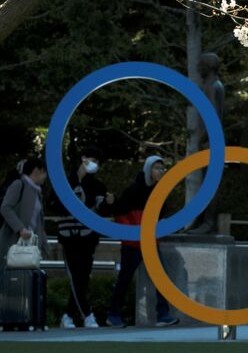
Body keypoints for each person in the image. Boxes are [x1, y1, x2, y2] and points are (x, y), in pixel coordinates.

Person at [105, 155, 179, 328]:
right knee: (125, 278)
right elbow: (119, 210)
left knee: (161, 278)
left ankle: (163, 314)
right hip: (133, 243)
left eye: (162, 168)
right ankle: (113, 314)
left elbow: (160, 216)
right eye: (157, 168)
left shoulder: (161, 191)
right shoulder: (133, 190)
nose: (161, 171)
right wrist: (112, 202)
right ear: (148, 169)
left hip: (151, 242)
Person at [50, 147, 115, 329]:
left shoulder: (98, 186)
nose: (94, 164)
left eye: (97, 162)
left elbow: (102, 210)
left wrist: (110, 203)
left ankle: (68, 315)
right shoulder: (64, 182)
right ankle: (87, 314)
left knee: (83, 277)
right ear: (83, 159)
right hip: (68, 235)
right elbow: (52, 204)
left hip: (88, 236)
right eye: (92, 160)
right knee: (75, 275)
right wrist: (66, 206)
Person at [187, 52, 226, 234]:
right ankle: (202, 220)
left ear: (208, 67)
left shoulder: (212, 87)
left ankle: (208, 222)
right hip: (211, 144)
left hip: (211, 144)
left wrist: (201, 139)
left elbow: (212, 118)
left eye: (200, 65)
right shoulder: (213, 85)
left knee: (210, 184)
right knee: (207, 184)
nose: (198, 69)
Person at [0, 158, 49, 270]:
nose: (45, 176)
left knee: (25, 281)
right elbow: (5, 208)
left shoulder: (36, 192)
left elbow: (38, 223)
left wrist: (44, 246)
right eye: (44, 172)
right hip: (13, 243)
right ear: (36, 171)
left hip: (29, 247)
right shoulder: (19, 184)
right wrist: (21, 229)